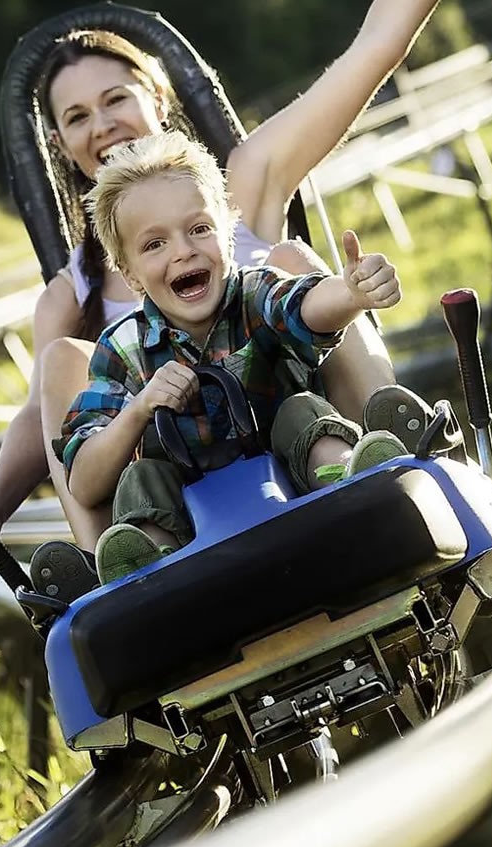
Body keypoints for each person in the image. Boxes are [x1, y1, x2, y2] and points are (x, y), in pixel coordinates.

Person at [0, 1, 439, 559]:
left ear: (156, 97)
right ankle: (122, 563)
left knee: (291, 259)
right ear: (59, 143)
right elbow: (43, 420)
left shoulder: (233, 192)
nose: (101, 126)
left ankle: (386, 452)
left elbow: (375, 47)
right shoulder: (70, 294)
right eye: (77, 117)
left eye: (115, 99)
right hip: (172, 484)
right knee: (59, 360)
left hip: (294, 424)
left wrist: (350, 291)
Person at [62, 132, 407, 583]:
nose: (183, 251)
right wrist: (138, 409)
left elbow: (300, 305)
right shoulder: (122, 349)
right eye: (154, 245)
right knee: (140, 478)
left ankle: (348, 476)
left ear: (227, 234)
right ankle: (148, 563)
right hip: (190, 531)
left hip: (294, 485)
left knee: (303, 410)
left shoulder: (253, 293)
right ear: (129, 274)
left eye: (199, 229)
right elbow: (85, 482)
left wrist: (350, 292)